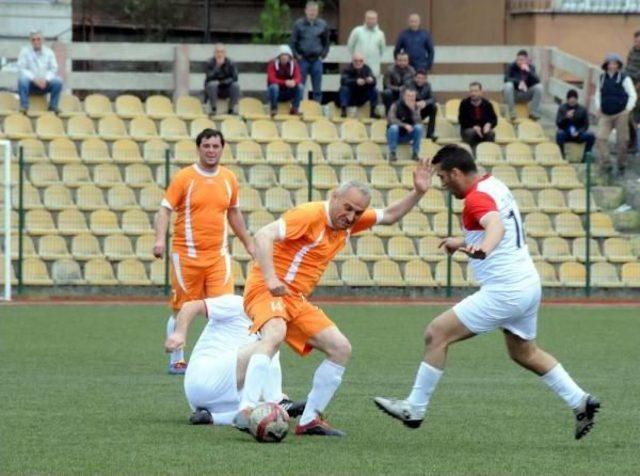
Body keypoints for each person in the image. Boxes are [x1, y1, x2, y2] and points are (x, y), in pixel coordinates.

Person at [374, 145, 600, 441]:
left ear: (456, 173)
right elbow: (496, 222)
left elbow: (494, 226)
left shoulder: (474, 198)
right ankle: (579, 400)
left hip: (504, 290)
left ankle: (414, 408)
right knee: (524, 352)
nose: (442, 185)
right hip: (527, 284)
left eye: (443, 178)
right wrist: (462, 241)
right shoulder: (494, 185)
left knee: (436, 334)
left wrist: (485, 247)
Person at [234, 164, 432, 437]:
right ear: (334, 197)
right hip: (267, 289)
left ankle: (309, 420)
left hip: (295, 299)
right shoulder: (309, 215)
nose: (351, 216)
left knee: (340, 348)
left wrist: (418, 192)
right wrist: (270, 278)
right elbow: (263, 235)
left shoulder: (348, 223)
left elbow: (391, 215)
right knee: (275, 332)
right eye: (347, 208)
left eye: (357, 212)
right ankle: (246, 410)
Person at [153, 129, 255, 374]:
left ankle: (222, 360)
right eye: (206, 146)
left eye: (215, 146)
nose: (211, 151)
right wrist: (159, 240)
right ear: (199, 148)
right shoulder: (185, 177)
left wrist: (248, 242)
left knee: (224, 309)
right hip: (186, 256)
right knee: (181, 309)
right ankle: (177, 360)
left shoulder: (229, 178)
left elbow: (233, 213)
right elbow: (165, 210)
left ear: (222, 148)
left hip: (218, 256)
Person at [164, 294, 305, 425]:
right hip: (206, 376)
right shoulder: (238, 304)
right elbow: (191, 306)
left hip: (212, 400)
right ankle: (278, 400)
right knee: (271, 342)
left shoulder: (270, 317)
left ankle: (211, 418)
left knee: (269, 408)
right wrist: (179, 334)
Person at [595, 53, 637, 177]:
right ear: (606, 65)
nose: (612, 66)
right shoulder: (602, 78)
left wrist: (627, 109)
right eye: (610, 63)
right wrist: (598, 108)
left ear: (618, 65)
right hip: (606, 114)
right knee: (600, 138)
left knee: (622, 141)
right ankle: (607, 164)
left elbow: (632, 94)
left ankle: (621, 166)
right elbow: (598, 94)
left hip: (621, 113)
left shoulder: (625, 78)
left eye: (615, 63)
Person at [290, 1, 329, 103]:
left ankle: (317, 109)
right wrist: (297, 56)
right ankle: (297, 107)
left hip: (316, 60)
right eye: (310, 10)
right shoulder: (298, 24)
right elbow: (293, 42)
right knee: (300, 85)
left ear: (317, 12)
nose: (312, 13)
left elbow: (326, 43)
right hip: (303, 59)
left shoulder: (323, 25)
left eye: (315, 10)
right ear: (306, 11)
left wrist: (323, 56)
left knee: (317, 87)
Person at [17, 30, 63, 113]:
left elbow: (54, 68)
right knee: (22, 80)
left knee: (58, 81)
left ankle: (53, 106)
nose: (36, 41)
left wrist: (46, 79)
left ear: (43, 40)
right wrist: (34, 79)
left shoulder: (49, 52)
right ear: (30, 41)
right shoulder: (24, 51)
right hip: (30, 84)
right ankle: (24, 106)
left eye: (38, 39)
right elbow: (21, 68)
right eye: (33, 39)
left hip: (45, 84)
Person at [502, 49, 543, 121]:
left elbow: (537, 81)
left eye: (521, 60)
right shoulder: (511, 66)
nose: (519, 62)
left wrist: (529, 71)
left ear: (527, 60)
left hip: (526, 94)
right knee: (507, 85)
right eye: (518, 60)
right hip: (514, 94)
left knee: (539, 87)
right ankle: (512, 113)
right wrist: (518, 82)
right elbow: (506, 79)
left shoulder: (531, 67)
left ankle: (533, 113)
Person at [555, 89, 595, 162]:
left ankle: (585, 158)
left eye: (574, 100)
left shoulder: (582, 109)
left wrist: (579, 132)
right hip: (566, 132)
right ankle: (561, 156)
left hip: (578, 133)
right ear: (567, 100)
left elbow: (586, 125)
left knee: (591, 136)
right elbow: (558, 123)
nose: (572, 101)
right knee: (559, 134)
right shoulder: (562, 108)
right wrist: (566, 117)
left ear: (576, 99)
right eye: (570, 99)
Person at [387, 88, 424, 162]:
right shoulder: (395, 105)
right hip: (395, 135)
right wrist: (404, 125)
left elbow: (418, 122)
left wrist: (413, 110)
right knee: (393, 127)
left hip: (408, 135)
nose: (411, 98)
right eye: (408, 96)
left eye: (413, 96)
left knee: (419, 128)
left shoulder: (416, 107)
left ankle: (415, 153)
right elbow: (391, 119)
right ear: (404, 96)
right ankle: (392, 153)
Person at [338, 52, 379, 118]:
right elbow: (343, 81)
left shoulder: (367, 68)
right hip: (350, 96)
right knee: (344, 89)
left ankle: (372, 112)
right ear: (352, 61)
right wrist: (355, 81)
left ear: (363, 61)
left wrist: (371, 80)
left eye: (360, 61)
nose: (358, 63)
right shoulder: (347, 69)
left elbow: (374, 81)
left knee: (374, 90)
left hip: (362, 96)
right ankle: (343, 112)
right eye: (356, 61)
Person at [346, 10, 386, 78]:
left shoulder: (380, 34)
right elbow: (350, 46)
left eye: (373, 19)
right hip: (358, 66)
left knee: (372, 86)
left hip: (373, 67)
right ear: (365, 19)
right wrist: (356, 58)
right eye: (369, 18)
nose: (371, 21)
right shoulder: (357, 31)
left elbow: (382, 50)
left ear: (376, 20)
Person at [267, 45, 304, 117]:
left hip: (288, 92)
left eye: (286, 55)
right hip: (275, 93)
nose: (284, 57)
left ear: (289, 57)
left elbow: (298, 77)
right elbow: (271, 79)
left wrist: (294, 82)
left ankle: (295, 108)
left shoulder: (294, 65)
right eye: (282, 56)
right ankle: (274, 109)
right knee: (274, 87)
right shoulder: (272, 64)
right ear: (279, 56)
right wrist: (285, 82)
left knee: (300, 86)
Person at [458, 81, 498, 148]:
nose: (473, 93)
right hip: (469, 129)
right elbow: (461, 120)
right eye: (471, 91)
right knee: (472, 132)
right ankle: (471, 154)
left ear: (481, 92)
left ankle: (487, 153)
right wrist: (473, 127)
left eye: (476, 91)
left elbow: (494, 119)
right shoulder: (464, 104)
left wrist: (489, 124)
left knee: (490, 134)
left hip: (483, 130)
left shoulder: (487, 104)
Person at [204, 43, 240, 116]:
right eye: (217, 52)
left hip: (226, 88)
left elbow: (235, 77)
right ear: (214, 53)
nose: (219, 54)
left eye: (221, 52)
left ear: (225, 53)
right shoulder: (209, 62)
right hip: (213, 90)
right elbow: (208, 77)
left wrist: (222, 82)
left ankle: (231, 109)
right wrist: (217, 67)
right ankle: (213, 108)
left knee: (235, 86)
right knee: (212, 84)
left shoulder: (231, 63)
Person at [408, 70, 437, 140]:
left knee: (433, 107)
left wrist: (425, 102)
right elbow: (404, 99)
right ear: (415, 78)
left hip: (421, 110)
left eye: (422, 78)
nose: (420, 80)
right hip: (410, 111)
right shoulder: (408, 84)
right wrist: (415, 103)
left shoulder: (428, 85)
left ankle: (430, 134)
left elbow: (433, 98)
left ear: (425, 79)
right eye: (418, 78)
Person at [625, 31, 640, 153]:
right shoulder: (632, 51)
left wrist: (635, 89)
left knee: (635, 117)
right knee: (628, 115)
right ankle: (631, 142)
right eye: (636, 40)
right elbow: (627, 67)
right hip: (629, 86)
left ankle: (635, 144)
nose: (637, 43)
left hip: (637, 89)